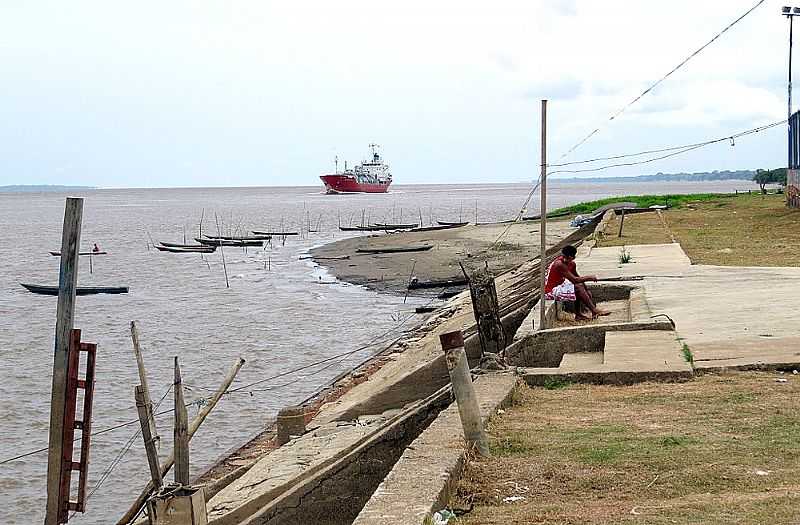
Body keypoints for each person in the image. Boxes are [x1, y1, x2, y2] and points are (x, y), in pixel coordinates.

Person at [544, 244, 609, 321]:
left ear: (572, 257)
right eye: (564, 257)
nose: (565, 259)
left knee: (579, 286)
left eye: (568, 258)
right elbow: (574, 280)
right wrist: (589, 277)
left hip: (560, 285)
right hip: (550, 291)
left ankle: (579, 314)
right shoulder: (559, 264)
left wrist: (586, 289)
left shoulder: (572, 264)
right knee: (577, 288)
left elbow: (577, 277)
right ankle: (594, 311)